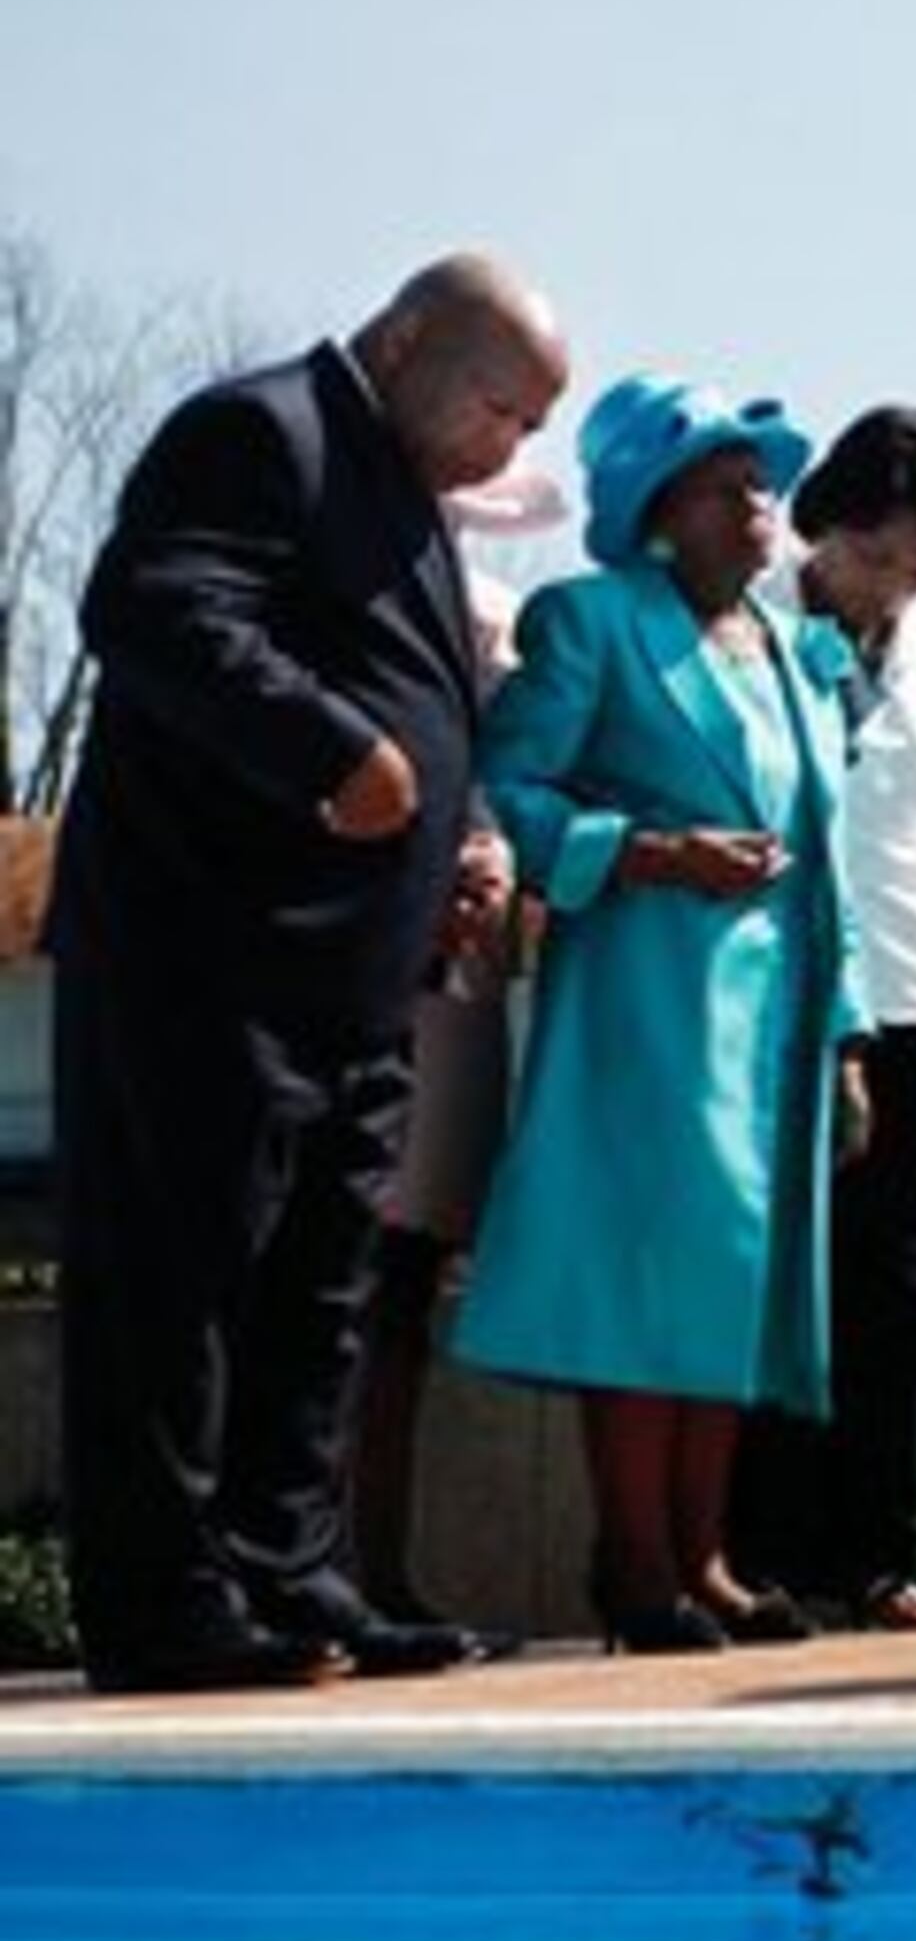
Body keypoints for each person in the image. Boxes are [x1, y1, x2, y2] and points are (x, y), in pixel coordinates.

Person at [49, 252, 566, 1694]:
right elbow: (155, 612)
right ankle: (162, 1606)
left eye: (530, 424)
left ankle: (292, 1576)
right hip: (203, 951)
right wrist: (335, 752)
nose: (509, 447)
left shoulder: (401, 488)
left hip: (354, 974)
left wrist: (458, 829)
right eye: (502, 408)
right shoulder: (259, 432)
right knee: (181, 1281)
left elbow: (418, 695)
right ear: (405, 342)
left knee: (316, 1292)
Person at [451, 375, 862, 1654]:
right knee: (645, 1277)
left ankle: (706, 1553)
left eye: (761, 485)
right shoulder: (594, 623)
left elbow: (824, 862)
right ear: (657, 511)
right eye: (728, 486)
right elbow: (504, 788)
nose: (760, 506)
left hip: (775, 1021)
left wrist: (845, 1038)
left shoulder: (799, 653)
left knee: (733, 1280)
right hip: (644, 1006)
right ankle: (634, 1560)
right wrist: (647, 853)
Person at [728, 405, 916, 1632]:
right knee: (763, 1273)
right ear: (825, 526)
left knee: (896, 1287)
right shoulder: (741, 617)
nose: (893, 586)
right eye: (876, 556)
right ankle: (749, 1549)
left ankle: (878, 1551)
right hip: (767, 988)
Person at [348, 463, 561, 1641]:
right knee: (335, 1277)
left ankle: (376, 1567)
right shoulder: (346, 597)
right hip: (362, 956)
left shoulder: (492, 622)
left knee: (404, 1286)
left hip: (461, 977)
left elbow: (506, 776)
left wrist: (489, 860)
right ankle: (315, 1564)